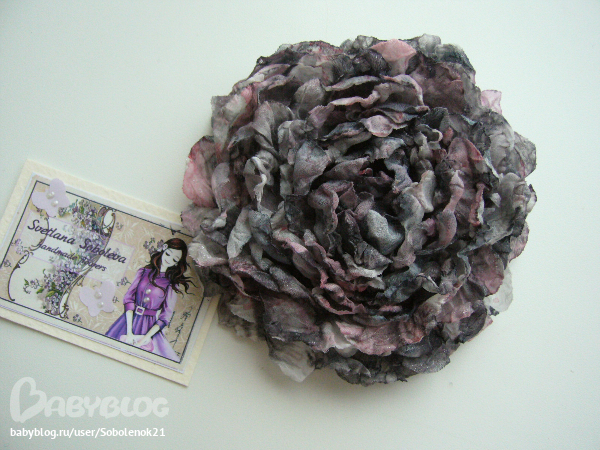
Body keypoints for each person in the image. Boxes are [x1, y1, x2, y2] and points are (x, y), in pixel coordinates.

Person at [105, 238, 192, 362]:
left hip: (149, 326)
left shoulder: (171, 284)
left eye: (174, 260)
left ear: (177, 264)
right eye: (168, 254)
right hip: (128, 320)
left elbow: (165, 316)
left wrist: (146, 337)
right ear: (164, 249)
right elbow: (129, 299)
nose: (169, 260)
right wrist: (129, 332)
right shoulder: (144, 272)